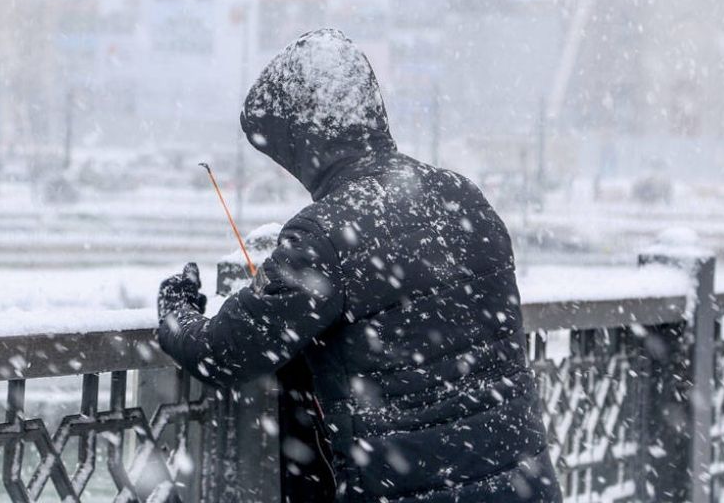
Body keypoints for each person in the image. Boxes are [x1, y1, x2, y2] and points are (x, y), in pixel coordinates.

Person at [157, 29, 560, 502]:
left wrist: (175, 309)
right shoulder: (464, 198)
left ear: (303, 140)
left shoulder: (323, 237)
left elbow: (224, 352)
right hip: (521, 485)